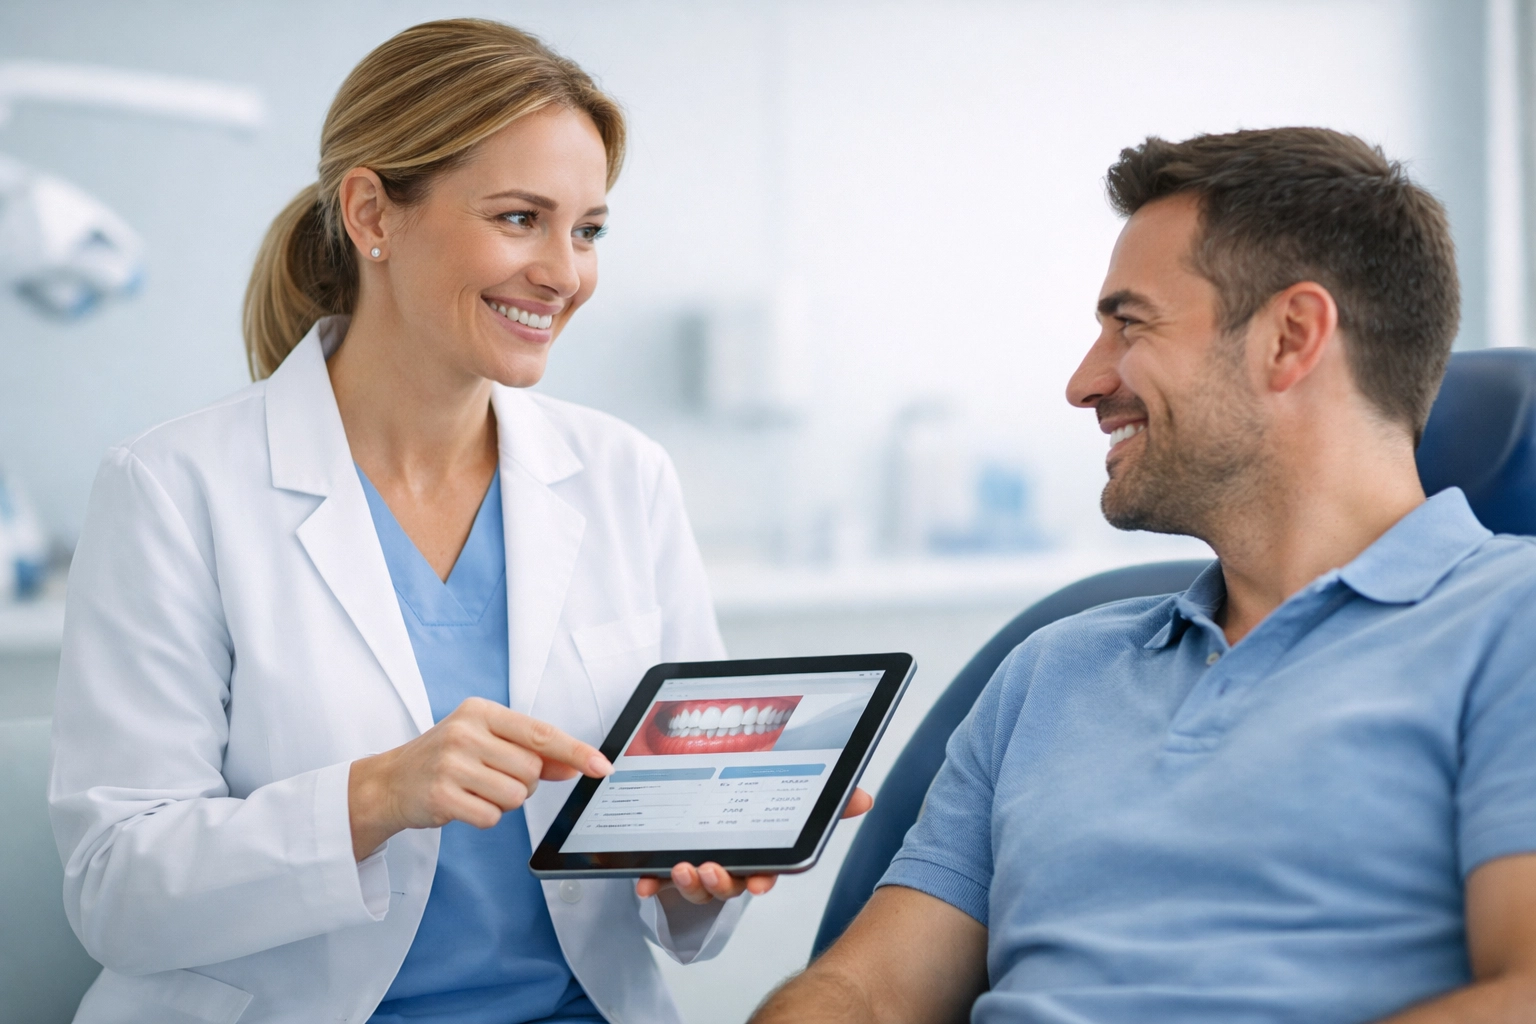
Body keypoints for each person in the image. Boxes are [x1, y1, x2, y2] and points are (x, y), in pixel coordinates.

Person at [48, 20, 868, 1024]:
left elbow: (668, 911)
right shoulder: (174, 490)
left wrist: (705, 873)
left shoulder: (622, 477)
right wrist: (378, 794)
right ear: (371, 213)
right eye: (521, 217)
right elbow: (116, 892)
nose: (566, 272)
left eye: (589, 229)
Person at [752, 128, 1536, 1023]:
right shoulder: (1053, 669)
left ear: (1291, 336)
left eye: (1129, 325)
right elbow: (869, 991)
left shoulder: (1511, 627)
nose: (1085, 383)